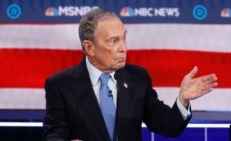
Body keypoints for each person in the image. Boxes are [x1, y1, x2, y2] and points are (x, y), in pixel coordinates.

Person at [42, 8, 218, 141]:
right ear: (90, 48)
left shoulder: (137, 79)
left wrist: (182, 100)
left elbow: (167, 126)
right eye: (114, 41)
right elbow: (54, 134)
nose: (123, 48)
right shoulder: (61, 85)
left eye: (124, 38)